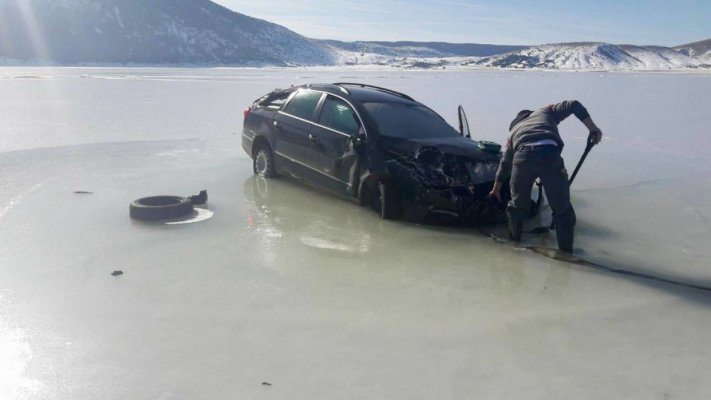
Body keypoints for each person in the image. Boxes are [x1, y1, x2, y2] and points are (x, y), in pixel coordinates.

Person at [488, 100, 603, 253]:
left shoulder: (514, 131)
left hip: (522, 159)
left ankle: (514, 245)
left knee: (517, 206)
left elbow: (505, 164)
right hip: (549, 154)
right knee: (563, 211)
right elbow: (574, 104)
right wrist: (593, 128)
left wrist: (495, 190)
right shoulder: (546, 112)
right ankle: (566, 253)